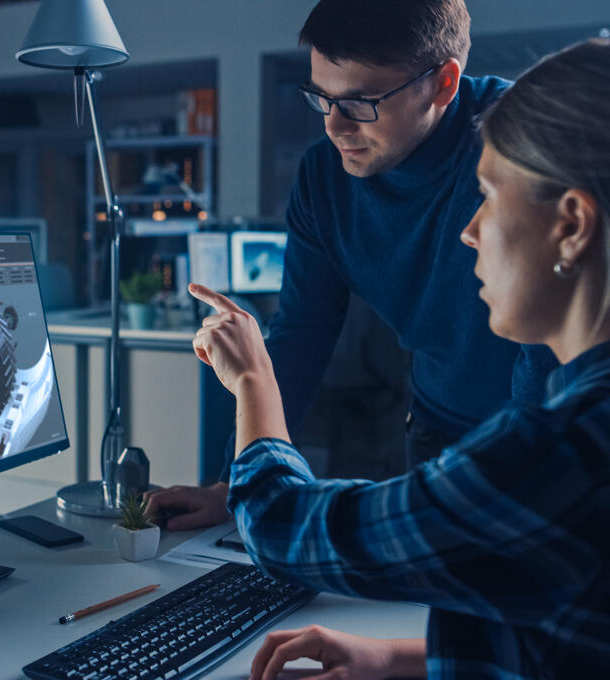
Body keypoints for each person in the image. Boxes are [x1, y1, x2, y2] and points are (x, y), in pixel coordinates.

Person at [192, 38, 610, 679]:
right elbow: (566, 634)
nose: (469, 231)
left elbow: (284, 527)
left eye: (490, 197)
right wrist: (397, 659)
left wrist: (251, 378)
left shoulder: (560, 456)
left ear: (574, 225)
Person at [146, 0, 559, 532]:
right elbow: (301, 334)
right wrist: (232, 483)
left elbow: (550, 344)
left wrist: (535, 482)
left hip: (546, 428)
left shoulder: (522, 148)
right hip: (439, 427)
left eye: (361, 103)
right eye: (322, 98)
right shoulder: (324, 181)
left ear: (443, 84)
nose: (335, 127)